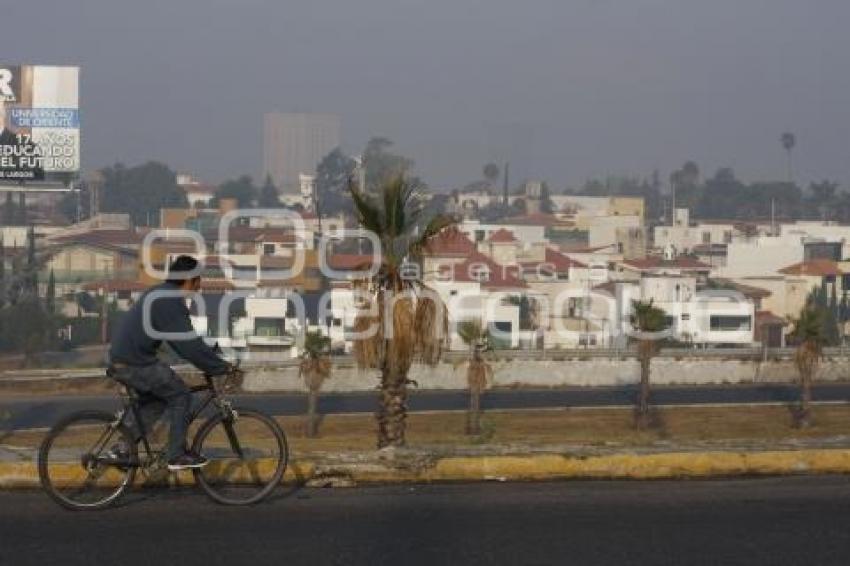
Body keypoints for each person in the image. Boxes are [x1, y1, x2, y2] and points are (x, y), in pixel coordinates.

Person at [108, 255, 235, 470]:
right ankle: (176, 455)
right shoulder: (168, 300)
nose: (199, 286)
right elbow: (186, 345)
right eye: (198, 280)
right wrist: (219, 367)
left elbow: (186, 340)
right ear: (189, 279)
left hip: (127, 359)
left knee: (156, 402)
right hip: (135, 362)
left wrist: (209, 353)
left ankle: (123, 448)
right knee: (181, 396)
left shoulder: (161, 293)